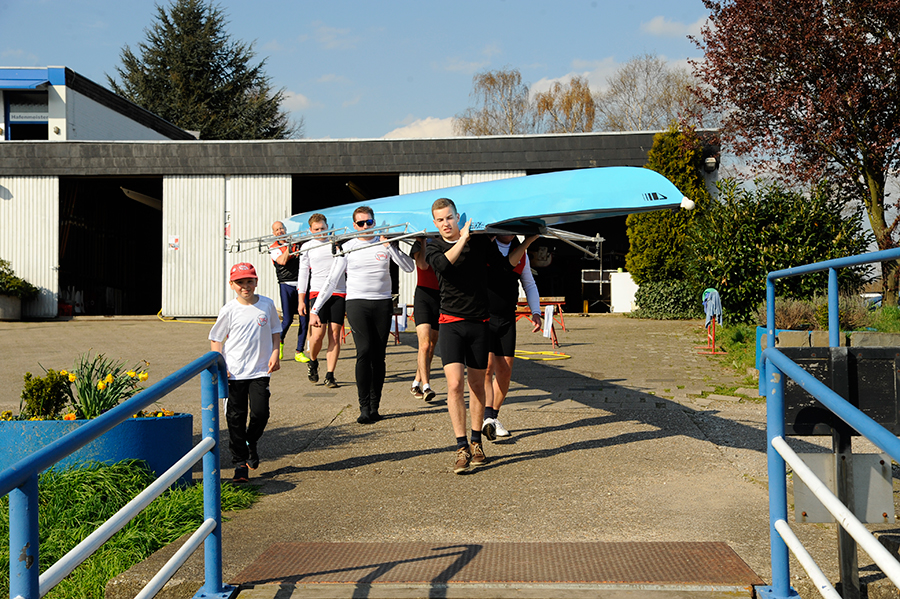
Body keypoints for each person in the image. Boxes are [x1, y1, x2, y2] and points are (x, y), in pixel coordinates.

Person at [424, 198, 537, 474]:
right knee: (454, 385)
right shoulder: (434, 246)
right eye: (440, 220)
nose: (446, 223)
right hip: (451, 323)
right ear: (435, 223)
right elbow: (444, 266)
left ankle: (476, 443)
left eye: (449, 217)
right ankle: (461, 446)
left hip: (479, 324)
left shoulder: (479, 243)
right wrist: (463, 238)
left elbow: (504, 267)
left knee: (476, 385)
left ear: (457, 217)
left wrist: (527, 242)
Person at [310, 206, 415, 424]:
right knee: (364, 351)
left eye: (369, 222)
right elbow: (332, 280)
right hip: (357, 303)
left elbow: (409, 267)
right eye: (361, 223)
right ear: (354, 225)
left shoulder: (385, 243)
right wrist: (314, 309)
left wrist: (390, 246)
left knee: (379, 355)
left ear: (374, 222)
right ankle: (364, 407)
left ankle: (375, 406)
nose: (365, 226)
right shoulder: (348, 247)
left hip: (382, 303)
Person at [209, 262, 281, 483]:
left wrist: (276, 353)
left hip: (260, 370)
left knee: (260, 413)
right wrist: (221, 366)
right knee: (235, 417)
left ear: (256, 282)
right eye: (240, 282)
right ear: (232, 285)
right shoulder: (229, 309)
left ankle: (251, 441)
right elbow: (216, 339)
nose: (245, 286)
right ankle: (240, 463)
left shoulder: (267, 305)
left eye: (249, 281)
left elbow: (275, 331)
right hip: (235, 372)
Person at [481, 234, 543, 441]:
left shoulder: (521, 252)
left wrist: (536, 312)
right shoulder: (485, 247)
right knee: (487, 368)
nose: (508, 232)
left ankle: (492, 417)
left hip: (507, 317)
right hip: (484, 316)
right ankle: (486, 417)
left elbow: (529, 283)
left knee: (505, 371)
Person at [297, 213, 344, 388]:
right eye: (316, 229)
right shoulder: (307, 247)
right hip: (317, 292)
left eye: (323, 228)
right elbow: (303, 274)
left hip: (338, 292)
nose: (321, 232)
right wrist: (301, 300)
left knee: (335, 334)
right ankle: (313, 360)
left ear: (327, 227)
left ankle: (330, 375)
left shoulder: (336, 243)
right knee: (317, 336)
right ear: (310, 230)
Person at [269, 221, 310, 363]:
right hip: (286, 284)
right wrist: (289, 247)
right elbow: (282, 261)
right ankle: (280, 341)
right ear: (274, 233)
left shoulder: (295, 244)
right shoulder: (274, 248)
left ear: (285, 229)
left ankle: (299, 351)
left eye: (281, 228)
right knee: (287, 319)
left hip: (301, 285)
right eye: (277, 230)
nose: (280, 231)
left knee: (304, 318)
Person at [409, 236, 439, 402]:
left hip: (440, 297)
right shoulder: (418, 245)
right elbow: (423, 265)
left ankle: (416, 383)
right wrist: (422, 242)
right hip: (424, 296)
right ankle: (426, 386)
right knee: (425, 344)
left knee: (432, 345)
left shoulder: (445, 243)